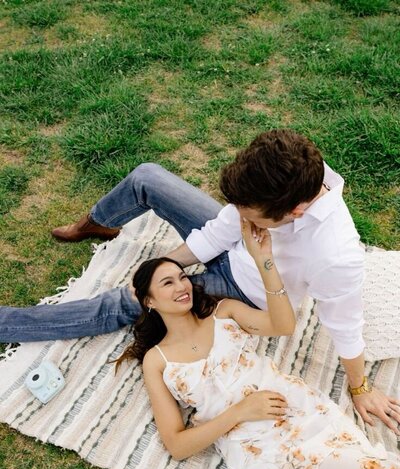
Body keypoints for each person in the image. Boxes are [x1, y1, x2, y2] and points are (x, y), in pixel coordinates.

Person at [0, 130, 398, 434]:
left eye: (250, 213)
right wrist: (166, 265)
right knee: (147, 178)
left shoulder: (335, 255)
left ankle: (7, 324)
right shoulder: (289, 172)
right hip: (232, 251)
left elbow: (345, 324)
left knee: (129, 300)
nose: (239, 214)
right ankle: (99, 223)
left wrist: (360, 387)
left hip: (247, 291)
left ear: (294, 212)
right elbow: (220, 230)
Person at [114, 223, 400, 469]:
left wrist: (264, 260)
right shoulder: (157, 361)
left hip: (303, 414)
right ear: (149, 301)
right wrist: (239, 411)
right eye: (167, 282)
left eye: (182, 276)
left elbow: (283, 326)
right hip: (260, 449)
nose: (181, 285)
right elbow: (176, 444)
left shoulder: (224, 312)